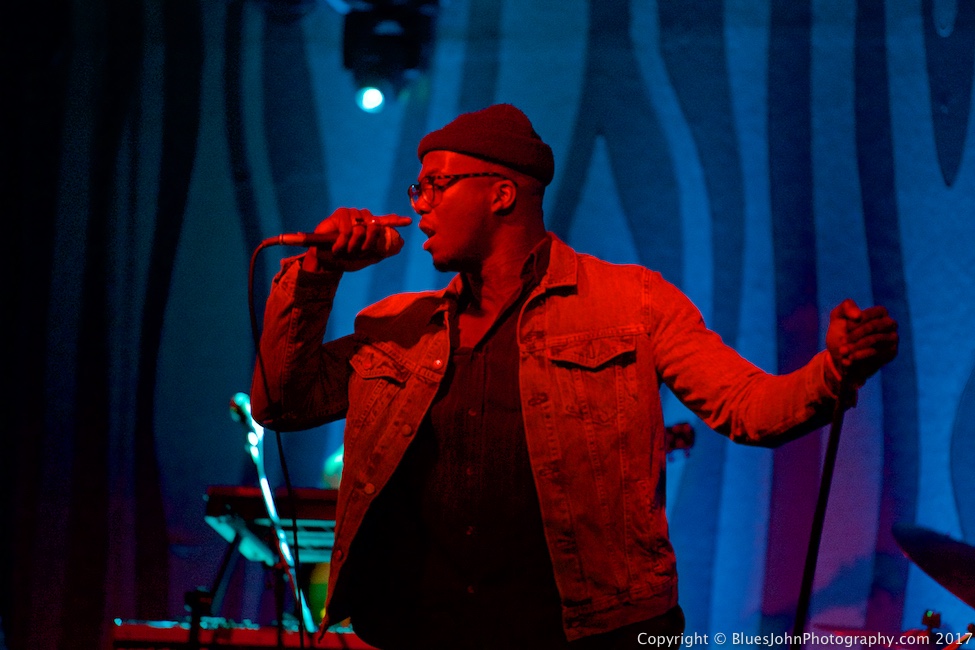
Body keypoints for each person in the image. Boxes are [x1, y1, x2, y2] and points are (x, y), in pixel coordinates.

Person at [249, 104, 899, 649]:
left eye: (435, 185)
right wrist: (319, 271)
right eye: (417, 189)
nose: (416, 205)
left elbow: (749, 408)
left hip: (585, 634)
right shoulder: (396, 325)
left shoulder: (632, 303)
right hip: (419, 630)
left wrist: (833, 369)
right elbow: (280, 404)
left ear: (500, 193)